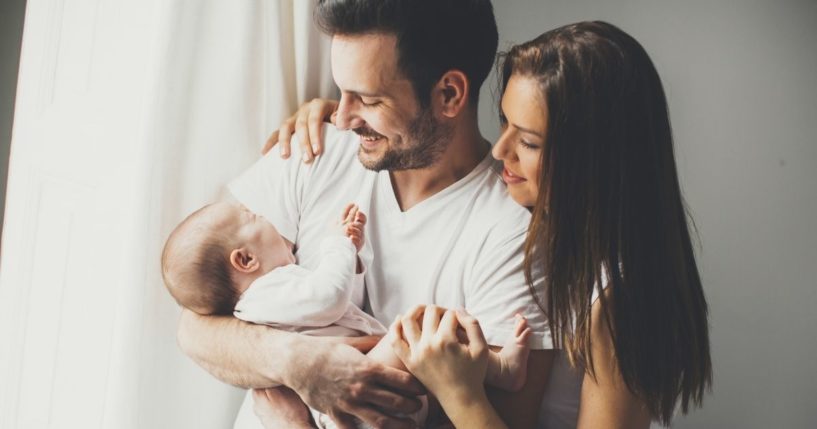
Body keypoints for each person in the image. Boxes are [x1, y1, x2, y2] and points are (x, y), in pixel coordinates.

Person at [277, 20, 713, 429]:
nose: (501, 150)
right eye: (505, 122)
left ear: (595, 161)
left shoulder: (618, 300)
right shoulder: (553, 234)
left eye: (528, 141)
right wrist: (360, 114)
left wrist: (459, 391)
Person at [176, 1, 561, 428]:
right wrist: (299, 362)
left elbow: (501, 419)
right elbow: (194, 329)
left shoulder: (512, 233)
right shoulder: (315, 147)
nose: (341, 116)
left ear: (448, 94)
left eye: (368, 99)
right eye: (341, 92)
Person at [161, 201, 534, 428]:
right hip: (346, 407)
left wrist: (350, 254)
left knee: (431, 359)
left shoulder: (277, 294)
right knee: (420, 329)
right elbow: (328, 299)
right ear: (245, 259)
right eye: (254, 216)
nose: (267, 218)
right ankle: (501, 371)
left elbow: (339, 308)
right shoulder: (264, 295)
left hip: (353, 400)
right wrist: (338, 244)